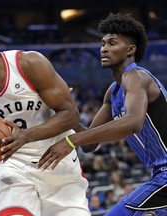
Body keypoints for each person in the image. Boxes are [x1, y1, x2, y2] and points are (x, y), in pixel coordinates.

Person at [0, 17, 91, 216]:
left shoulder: (29, 63)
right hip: (12, 170)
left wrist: (25, 136)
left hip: (57, 165)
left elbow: (71, 115)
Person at [38, 13, 167, 215]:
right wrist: (63, 108)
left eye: (112, 43)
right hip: (159, 174)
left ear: (130, 50)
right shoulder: (113, 92)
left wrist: (72, 141)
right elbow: (90, 144)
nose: (104, 48)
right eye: (103, 43)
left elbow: (133, 122)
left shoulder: (136, 77)